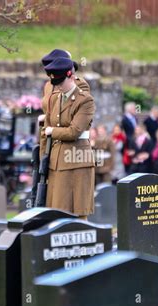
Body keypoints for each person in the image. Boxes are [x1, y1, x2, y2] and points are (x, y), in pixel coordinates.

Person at [42, 57, 95, 218]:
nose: (57, 86)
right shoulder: (55, 98)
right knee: (55, 213)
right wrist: (43, 159)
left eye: (60, 81)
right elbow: (45, 130)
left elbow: (74, 131)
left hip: (76, 161)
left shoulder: (85, 100)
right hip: (56, 162)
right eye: (55, 82)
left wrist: (53, 131)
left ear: (71, 76)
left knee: (77, 212)